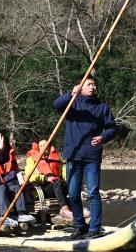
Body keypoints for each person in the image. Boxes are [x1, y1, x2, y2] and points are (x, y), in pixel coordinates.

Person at [53, 76, 116, 239]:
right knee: (73, 193)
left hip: (92, 157)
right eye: (89, 84)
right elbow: (56, 105)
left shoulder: (102, 107)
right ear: (81, 87)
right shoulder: (73, 103)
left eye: (94, 84)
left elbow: (112, 128)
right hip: (73, 156)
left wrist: (103, 137)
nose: (92, 87)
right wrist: (70, 94)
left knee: (93, 193)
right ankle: (79, 225)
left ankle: (94, 228)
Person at [25, 139, 74, 219]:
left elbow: (64, 171)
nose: (42, 147)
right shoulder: (31, 160)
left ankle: (77, 208)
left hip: (58, 186)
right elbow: (29, 177)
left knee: (72, 182)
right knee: (57, 182)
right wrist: (46, 178)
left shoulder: (56, 158)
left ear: (48, 146)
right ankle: (64, 208)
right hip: (43, 188)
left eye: (44, 145)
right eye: (40, 146)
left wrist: (67, 178)